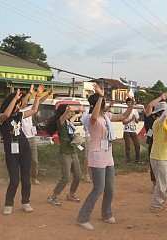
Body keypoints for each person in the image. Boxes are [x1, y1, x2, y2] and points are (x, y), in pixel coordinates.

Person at [76, 84, 134, 231]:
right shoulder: (90, 118)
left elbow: (124, 116)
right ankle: (83, 218)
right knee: (98, 189)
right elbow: (94, 117)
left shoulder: (106, 116)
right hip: (97, 157)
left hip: (108, 156)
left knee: (110, 189)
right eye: (103, 101)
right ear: (99, 103)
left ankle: (106, 213)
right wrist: (100, 96)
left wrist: (131, 105)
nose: (106, 103)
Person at [0, 85, 45, 215]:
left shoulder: (18, 115)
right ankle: (8, 203)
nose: (18, 107)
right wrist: (15, 98)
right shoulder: (1, 117)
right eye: (17, 104)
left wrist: (38, 95)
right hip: (11, 152)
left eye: (19, 104)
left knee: (26, 178)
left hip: (24, 148)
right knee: (14, 180)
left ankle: (25, 201)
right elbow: (7, 113)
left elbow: (34, 110)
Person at [45, 103, 85, 206]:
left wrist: (78, 114)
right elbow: (69, 110)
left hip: (72, 152)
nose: (69, 113)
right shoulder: (61, 122)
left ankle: (71, 194)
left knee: (78, 175)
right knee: (65, 177)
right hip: (65, 153)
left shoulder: (67, 123)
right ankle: (53, 196)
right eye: (67, 112)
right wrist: (78, 108)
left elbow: (73, 118)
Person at [149, 92, 167, 212]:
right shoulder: (157, 123)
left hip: (166, 157)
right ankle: (156, 205)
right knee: (161, 184)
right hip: (158, 157)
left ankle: (160, 200)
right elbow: (165, 115)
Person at [20, 84, 52, 185]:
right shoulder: (16, 111)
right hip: (21, 139)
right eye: (25, 99)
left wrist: (48, 93)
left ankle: (33, 178)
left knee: (34, 161)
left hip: (31, 138)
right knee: (20, 161)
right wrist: (30, 93)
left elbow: (40, 102)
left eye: (28, 99)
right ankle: (20, 178)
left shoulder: (30, 109)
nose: (27, 101)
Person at [145, 92, 167, 189]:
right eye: (163, 111)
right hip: (153, 145)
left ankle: (164, 183)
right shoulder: (150, 118)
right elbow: (150, 105)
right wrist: (161, 98)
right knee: (154, 167)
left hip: (164, 145)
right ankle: (155, 185)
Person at [122, 97, 141, 164]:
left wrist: (134, 118)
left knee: (137, 145)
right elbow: (123, 122)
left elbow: (137, 121)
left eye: (131, 102)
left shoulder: (135, 111)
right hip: (127, 130)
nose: (130, 103)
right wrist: (130, 119)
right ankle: (128, 160)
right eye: (128, 102)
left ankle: (137, 159)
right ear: (126, 103)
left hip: (133, 130)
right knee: (128, 146)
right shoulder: (124, 111)